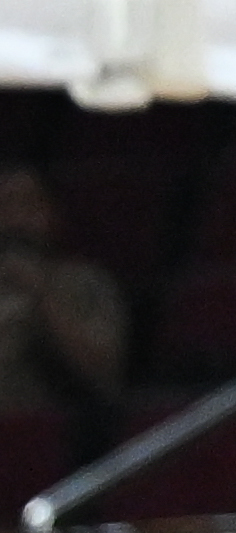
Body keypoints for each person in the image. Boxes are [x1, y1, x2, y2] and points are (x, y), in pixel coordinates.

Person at [0, 162, 138, 423]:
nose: (14, 218)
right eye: (4, 207)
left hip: (35, 435)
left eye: (26, 205)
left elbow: (102, 374)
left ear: (51, 213)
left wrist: (42, 296)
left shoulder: (83, 282)